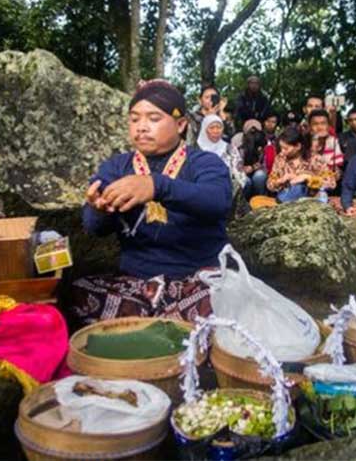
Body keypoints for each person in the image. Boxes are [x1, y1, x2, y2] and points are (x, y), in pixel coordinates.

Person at [74, 79, 232, 324]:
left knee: (219, 300)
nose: (142, 127)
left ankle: (147, 325)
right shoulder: (117, 167)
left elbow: (217, 201)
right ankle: (159, 322)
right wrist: (100, 211)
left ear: (180, 125)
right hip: (136, 282)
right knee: (74, 291)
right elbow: (93, 227)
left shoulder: (204, 163)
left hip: (195, 280)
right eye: (135, 119)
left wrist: (157, 186)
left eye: (153, 119)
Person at [266, 127, 335, 202]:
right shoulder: (280, 158)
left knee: (300, 187)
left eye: (286, 148)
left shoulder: (315, 158)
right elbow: (269, 184)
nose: (282, 151)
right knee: (296, 188)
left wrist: (308, 178)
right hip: (286, 196)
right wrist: (281, 180)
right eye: (281, 148)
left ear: (298, 146)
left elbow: (331, 184)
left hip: (311, 199)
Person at [197, 114, 247, 190]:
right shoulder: (196, 149)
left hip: (227, 190)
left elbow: (240, 174)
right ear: (205, 129)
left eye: (219, 127)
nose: (216, 131)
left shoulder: (230, 148)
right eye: (212, 128)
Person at [309, 109, 344, 180]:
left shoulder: (333, 141)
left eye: (323, 123)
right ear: (310, 127)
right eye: (315, 124)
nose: (319, 127)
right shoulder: (304, 142)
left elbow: (336, 169)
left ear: (328, 126)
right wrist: (315, 141)